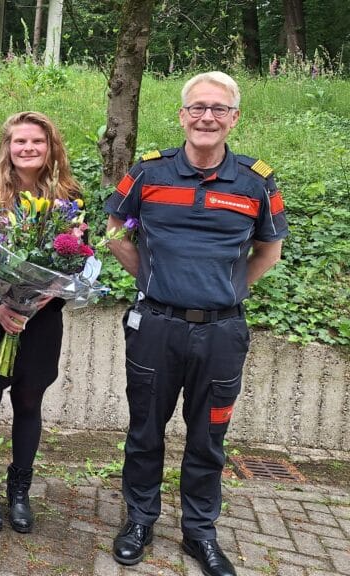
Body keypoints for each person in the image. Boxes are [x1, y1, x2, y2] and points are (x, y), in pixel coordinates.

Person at [105, 71, 286, 576]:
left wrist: (224, 293)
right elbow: (115, 230)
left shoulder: (256, 181)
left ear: (234, 118)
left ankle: (199, 533)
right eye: (198, 108)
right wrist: (155, 280)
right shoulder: (148, 173)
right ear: (183, 115)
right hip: (156, 326)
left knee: (208, 438)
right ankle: (139, 520)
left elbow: (268, 251)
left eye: (219, 109)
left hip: (222, 333)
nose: (208, 117)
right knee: (145, 431)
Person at [0, 111, 81, 534]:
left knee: (29, 402)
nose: (28, 148)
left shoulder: (70, 199)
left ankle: (20, 490)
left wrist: (45, 297)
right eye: (19, 141)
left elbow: (76, 260)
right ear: (7, 148)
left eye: (37, 142)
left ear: (51, 148)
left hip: (40, 323)